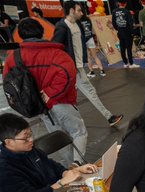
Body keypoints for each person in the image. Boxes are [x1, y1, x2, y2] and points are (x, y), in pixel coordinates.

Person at [3, 18, 87, 165]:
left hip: (40, 108)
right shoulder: (55, 53)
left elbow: (8, 84)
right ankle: (77, 164)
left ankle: (71, 167)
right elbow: (67, 74)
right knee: (79, 132)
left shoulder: (13, 57)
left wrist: (28, 102)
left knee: (58, 136)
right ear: (42, 32)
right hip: (61, 102)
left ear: (20, 35)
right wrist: (49, 93)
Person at [0, 113, 98, 192]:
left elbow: (53, 167)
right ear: (8, 142)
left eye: (30, 134)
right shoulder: (4, 169)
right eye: (25, 138)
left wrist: (74, 171)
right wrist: (61, 183)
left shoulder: (30, 150)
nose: (31, 140)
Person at [54, 2, 124, 127]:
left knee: (88, 92)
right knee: (71, 98)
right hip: (68, 70)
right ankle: (100, 119)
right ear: (71, 10)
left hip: (79, 67)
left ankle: (108, 117)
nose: (82, 13)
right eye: (79, 10)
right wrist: (65, 66)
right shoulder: (62, 27)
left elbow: (81, 43)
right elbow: (55, 49)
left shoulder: (78, 24)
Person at [110, 0, 137, 68]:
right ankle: (131, 63)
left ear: (119, 3)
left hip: (120, 32)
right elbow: (130, 23)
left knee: (122, 48)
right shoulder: (127, 11)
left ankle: (125, 63)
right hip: (127, 32)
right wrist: (132, 32)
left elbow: (113, 23)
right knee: (129, 48)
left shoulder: (114, 11)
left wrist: (118, 29)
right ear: (125, 4)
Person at [80, 10, 106, 77]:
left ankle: (92, 72)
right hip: (90, 38)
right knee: (95, 56)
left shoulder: (78, 21)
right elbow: (90, 28)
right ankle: (102, 71)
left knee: (88, 57)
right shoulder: (88, 19)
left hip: (84, 40)